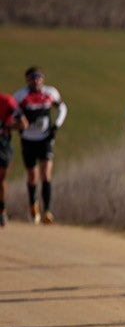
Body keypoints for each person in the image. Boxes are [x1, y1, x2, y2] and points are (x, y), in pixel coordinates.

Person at [14, 67, 68, 224]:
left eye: (39, 77)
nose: (36, 80)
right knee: (32, 175)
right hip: (28, 139)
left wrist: (56, 126)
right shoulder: (20, 96)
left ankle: (47, 210)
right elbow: (12, 112)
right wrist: (19, 125)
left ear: (43, 79)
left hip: (45, 139)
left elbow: (62, 108)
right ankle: (33, 204)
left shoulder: (50, 93)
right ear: (27, 80)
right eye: (32, 78)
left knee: (46, 174)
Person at [0, 91, 28, 226]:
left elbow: (23, 124)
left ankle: (2, 210)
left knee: (1, 179)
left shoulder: (7, 102)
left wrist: (5, 126)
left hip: (3, 145)